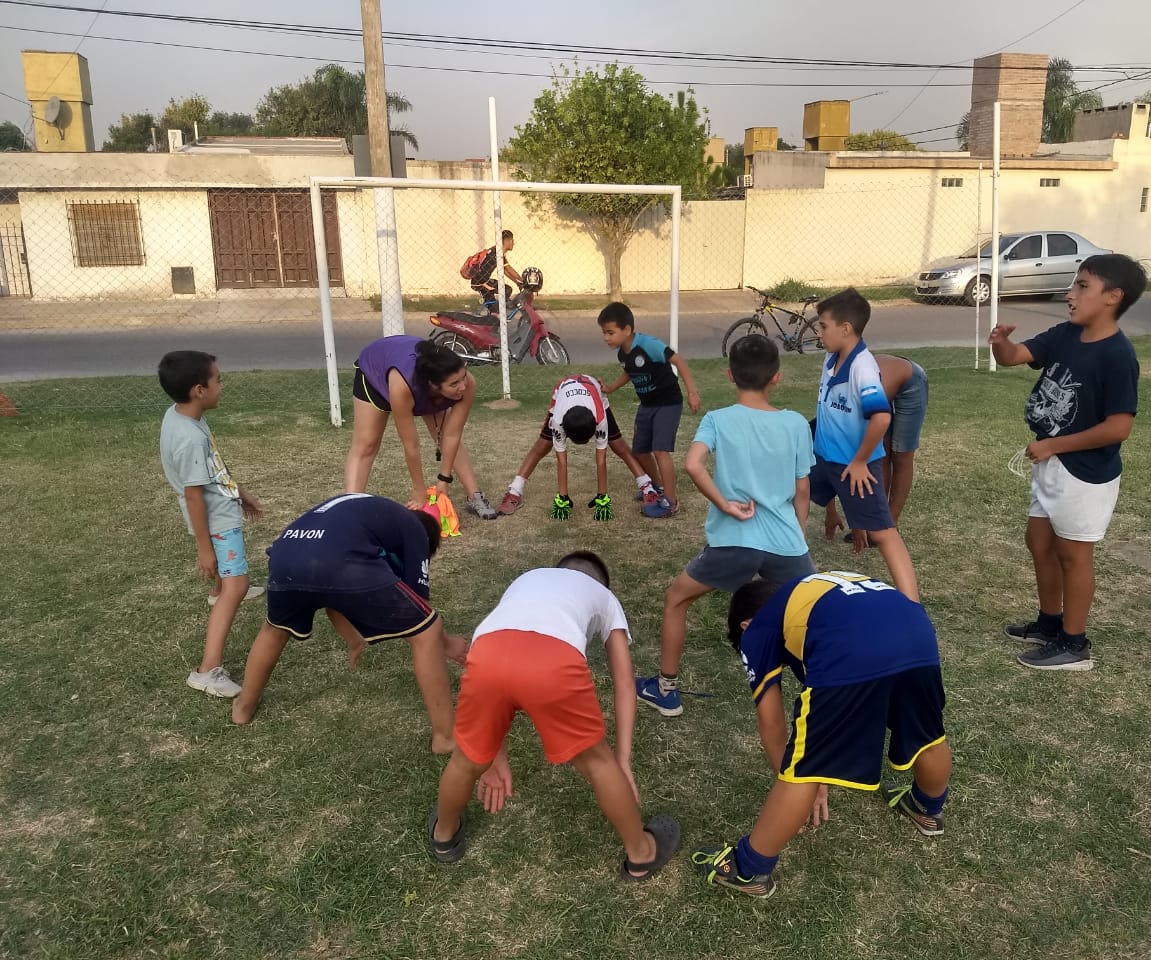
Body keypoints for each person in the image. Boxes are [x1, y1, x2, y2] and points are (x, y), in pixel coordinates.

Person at [691, 571, 952, 899]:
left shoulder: (757, 629)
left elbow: (772, 726)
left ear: (746, 626)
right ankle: (927, 808)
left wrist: (810, 780)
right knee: (928, 734)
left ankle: (749, 869)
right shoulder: (810, 591)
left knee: (804, 768)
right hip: (917, 632)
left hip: (852, 648)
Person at [428, 551, 681, 880]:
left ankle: (444, 836)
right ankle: (642, 853)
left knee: (465, 760)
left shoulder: (528, 578)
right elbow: (623, 682)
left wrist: (493, 756)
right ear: (600, 583)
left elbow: (507, 654)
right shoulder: (605, 597)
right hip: (553, 660)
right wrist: (622, 759)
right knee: (597, 762)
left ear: (558, 570)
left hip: (486, 650)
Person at [634, 335, 815, 717]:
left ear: (730, 374)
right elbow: (802, 491)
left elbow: (693, 464)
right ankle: (824, 692)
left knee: (676, 599)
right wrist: (798, 534)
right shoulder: (796, 423)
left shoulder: (717, 419)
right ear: (777, 377)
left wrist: (724, 505)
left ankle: (666, 690)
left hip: (735, 541)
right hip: (787, 543)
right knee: (811, 613)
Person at [989, 253, 1147, 671]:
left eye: (1082, 285)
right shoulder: (1066, 334)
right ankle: (1049, 623)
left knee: (1074, 556)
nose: (1069, 294)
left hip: (1085, 473)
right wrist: (1001, 342)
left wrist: (1055, 445)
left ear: (1113, 296)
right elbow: (1014, 356)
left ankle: (1074, 645)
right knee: (1039, 543)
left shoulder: (1118, 355)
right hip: (1052, 462)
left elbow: (1119, 427)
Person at [230, 493, 467, 752]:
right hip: (337, 558)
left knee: (274, 629)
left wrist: (353, 640)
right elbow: (419, 608)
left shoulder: (366, 512)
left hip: (285, 554)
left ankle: (243, 707)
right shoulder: (417, 530)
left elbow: (331, 592)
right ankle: (445, 737)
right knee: (428, 630)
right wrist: (446, 644)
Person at [158, 350, 265, 698]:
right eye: (218, 380)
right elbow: (194, 496)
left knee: (230, 584)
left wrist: (240, 492)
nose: (222, 386)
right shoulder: (190, 437)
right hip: (218, 520)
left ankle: (220, 591)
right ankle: (208, 670)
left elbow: (213, 468)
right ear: (199, 390)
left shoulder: (182, 416)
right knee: (238, 585)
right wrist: (204, 549)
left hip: (221, 509)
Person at [809, 289, 919, 601]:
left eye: (823, 326)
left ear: (845, 329)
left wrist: (859, 462)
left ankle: (912, 604)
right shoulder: (832, 357)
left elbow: (881, 418)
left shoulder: (863, 367)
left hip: (852, 467)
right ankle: (782, 575)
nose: (818, 333)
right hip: (823, 459)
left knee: (883, 533)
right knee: (789, 496)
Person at [345, 335, 498, 520]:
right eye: (454, 384)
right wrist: (419, 491)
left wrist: (444, 478)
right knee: (367, 444)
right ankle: (350, 509)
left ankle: (475, 496)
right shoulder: (403, 388)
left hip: (422, 381)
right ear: (433, 385)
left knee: (443, 434)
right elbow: (411, 445)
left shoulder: (465, 383)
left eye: (463, 377)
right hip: (376, 373)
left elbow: (452, 435)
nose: (463, 386)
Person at [495, 374, 661, 520]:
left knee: (617, 444)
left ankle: (647, 487)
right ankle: (515, 491)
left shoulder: (599, 418)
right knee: (543, 445)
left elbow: (601, 460)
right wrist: (563, 498)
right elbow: (561, 460)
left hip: (593, 390)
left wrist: (602, 497)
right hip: (562, 392)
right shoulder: (558, 421)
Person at [597, 302, 701, 519]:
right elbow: (630, 372)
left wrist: (692, 392)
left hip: (668, 403)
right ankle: (658, 487)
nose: (606, 338)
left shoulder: (649, 345)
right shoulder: (622, 353)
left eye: (610, 332)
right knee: (640, 451)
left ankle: (671, 502)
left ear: (627, 329)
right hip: (647, 405)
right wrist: (611, 388)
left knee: (660, 450)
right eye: (604, 333)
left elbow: (678, 361)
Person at [824, 354, 929, 545]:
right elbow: (828, 463)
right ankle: (876, 522)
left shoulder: (854, 408)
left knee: (901, 454)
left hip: (909, 381)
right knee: (882, 454)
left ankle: (889, 526)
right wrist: (831, 512)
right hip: (877, 388)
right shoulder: (831, 413)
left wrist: (858, 523)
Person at [468, 229, 523, 309]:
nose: (513, 243)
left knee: (506, 290)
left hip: (483, 281)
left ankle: (498, 309)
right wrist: (523, 280)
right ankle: (497, 310)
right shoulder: (497, 253)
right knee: (499, 301)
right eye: (512, 241)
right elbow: (509, 269)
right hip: (481, 283)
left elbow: (505, 271)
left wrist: (517, 282)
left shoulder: (496, 251)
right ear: (507, 241)